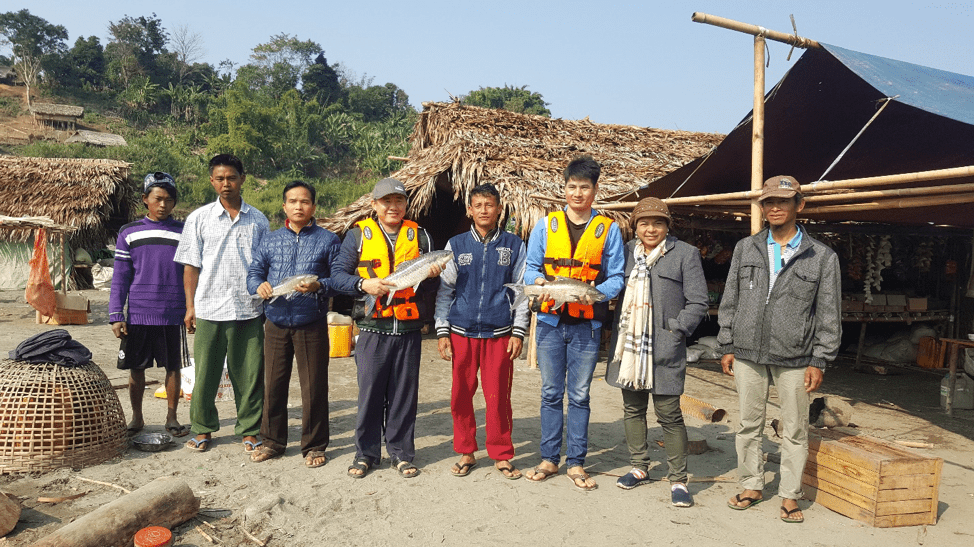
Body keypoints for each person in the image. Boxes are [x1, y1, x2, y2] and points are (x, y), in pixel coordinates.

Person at [718, 175, 841, 523]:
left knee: (795, 428)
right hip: (747, 353)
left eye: (783, 201)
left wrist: (820, 359)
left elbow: (829, 312)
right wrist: (727, 343)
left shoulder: (821, 256)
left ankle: (789, 495)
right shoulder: (746, 248)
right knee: (748, 424)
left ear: (798, 205)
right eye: (768, 202)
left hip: (796, 357)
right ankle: (752, 485)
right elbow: (731, 299)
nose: (774, 207)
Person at [523, 155, 625, 490]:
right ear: (563, 188)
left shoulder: (607, 229)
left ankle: (577, 462)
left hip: (588, 325)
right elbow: (532, 269)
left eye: (584, 187)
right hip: (551, 323)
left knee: (579, 395)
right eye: (572, 186)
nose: (577, 193)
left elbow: (616, 278)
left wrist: (594, 293)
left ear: (595, 190)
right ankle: (550, 458)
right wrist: (539, 284)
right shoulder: (545, 226)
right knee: (551, 392)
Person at [333, 177, 442, 479]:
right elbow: (337, 276)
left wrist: (433, 274)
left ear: (406, 204)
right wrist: (363, 284)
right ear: (375, 205)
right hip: (372, 329)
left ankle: (401, 453)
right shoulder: (357, 237)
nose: (393, 206)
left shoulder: (421, 238)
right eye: (386, 201)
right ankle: (366, 454)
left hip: (408, 330)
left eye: (399, 201)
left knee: (404, 395)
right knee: (369, 395)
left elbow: (430, 286)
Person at [605, 198, 708, 506]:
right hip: (631, 347)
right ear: (635, 227)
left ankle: (678, 479)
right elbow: (611, 288)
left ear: (667, 226)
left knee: (669, 414)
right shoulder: (624, 253)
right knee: (633, 409)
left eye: (658, 223)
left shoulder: (685, 254)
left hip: (665, 345)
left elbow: (699, 302)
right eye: (644, 223)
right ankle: (639, 467)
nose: (651, 229)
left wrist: (677, 329)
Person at [247, 180, 347, 468]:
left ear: (313, 207)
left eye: (304, 202)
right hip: (276, 320)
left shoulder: (328, 240)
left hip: (311, 321)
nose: (299, 206)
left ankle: (315, 445)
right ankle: (272, 442)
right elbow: (254, 272)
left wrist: (318, 285)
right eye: (293, 201)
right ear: (284, 207)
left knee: (314, 386)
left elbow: (337, 281)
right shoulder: (270, 239)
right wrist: (259, 285)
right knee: (273, 384)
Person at [174, 154, 269, 454]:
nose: (225, 184)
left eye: (231, 177)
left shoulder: (259, 220)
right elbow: (191, 266)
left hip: (249, 307)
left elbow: (265, 265)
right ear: (211, 181)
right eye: (219, 178)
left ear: (243, 178)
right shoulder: (198, 218)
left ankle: (250, 429)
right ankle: (202, 428)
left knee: (249, 374)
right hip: (209, 308)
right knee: (205, 374)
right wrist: (190, 307)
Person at [434, 183, 530, 480]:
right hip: (461, 331)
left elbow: (522, 292)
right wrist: (441, 330)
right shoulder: (456, 244)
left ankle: (501, 454)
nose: (484, 210)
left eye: (490, 204)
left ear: (499, 208)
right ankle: (466, 451)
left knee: (498, 395)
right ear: (470, 210)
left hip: (499, 333)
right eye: (478, 205)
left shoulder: (514, 245)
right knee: (461, 395)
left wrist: (518, 331)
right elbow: (445, 290)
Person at [109, 172, 189, 439]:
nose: (163, 205)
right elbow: (121, 276)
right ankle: (137, 417)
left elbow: (192, 274)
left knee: (173, 367)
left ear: (174, 202)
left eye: (168, 200)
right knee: (136, 368)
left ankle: (172, 417)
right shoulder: (129, 233)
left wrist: (191, 308)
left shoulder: (185, 232)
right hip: (139, 313)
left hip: (172, 313)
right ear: (145, 200)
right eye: (157, 199)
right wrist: (115, 314)